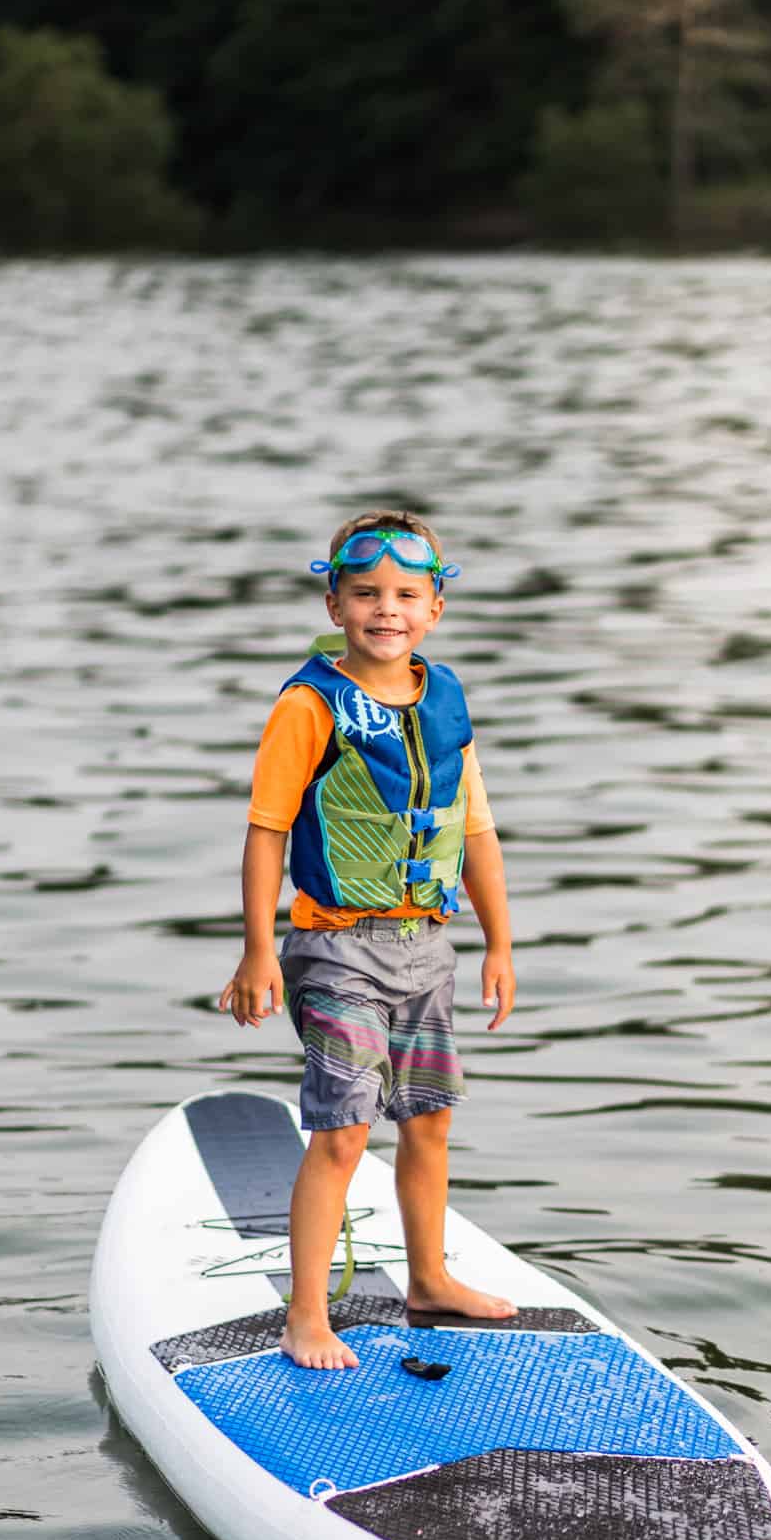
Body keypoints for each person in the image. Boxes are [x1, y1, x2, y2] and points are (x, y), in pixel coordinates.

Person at [219, 509, 518, 1370]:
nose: (386, 610)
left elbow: (478, 831)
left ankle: (429, 1277)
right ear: (334, 605)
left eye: (405, 595)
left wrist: (499, 943)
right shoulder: (309, 706)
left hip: (427, 946)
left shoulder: (446, 700)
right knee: (344, 1132)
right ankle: (306, 1317)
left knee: (426, 1124)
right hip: (337, 948)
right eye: (365, 594)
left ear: (434, 609)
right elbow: (267, 830)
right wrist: (257, 949)